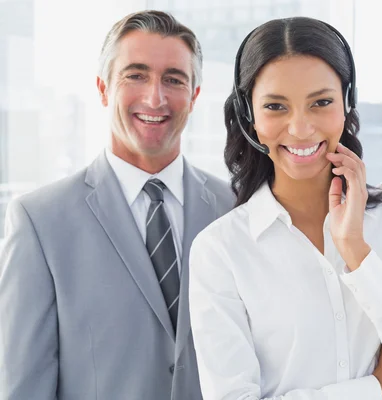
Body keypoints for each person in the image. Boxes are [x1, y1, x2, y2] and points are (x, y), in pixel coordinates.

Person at [188, 16, 382, 400]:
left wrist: (357, 252)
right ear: (250, 116)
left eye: (321, 102)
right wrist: (378, 388)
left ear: (347, 104)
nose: (300, 128)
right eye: (276, 106)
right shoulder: (221, 250)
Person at [0, 10, 234, 400]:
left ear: (194, 96)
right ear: (104, 88)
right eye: (136, 75)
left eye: (173, 79)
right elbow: (24, 388)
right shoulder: (39, 222)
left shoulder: (235, 208)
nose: (154, 97)